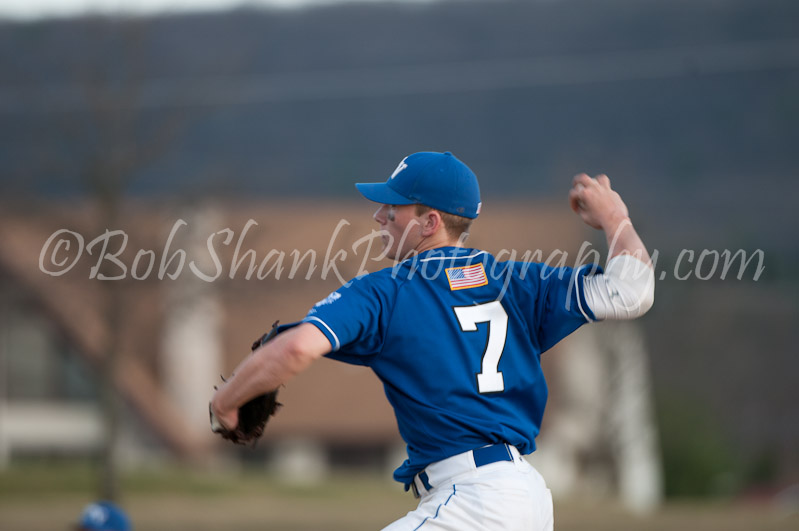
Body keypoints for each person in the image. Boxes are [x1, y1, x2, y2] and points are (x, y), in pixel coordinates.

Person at [210, 151, 654, 530]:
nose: (379, 215)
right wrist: (615, 218)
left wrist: (226, 402)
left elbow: (295, 349)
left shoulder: (387, 292)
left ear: (431, 222)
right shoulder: (519, 282)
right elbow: (632, 291)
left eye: (394, 208)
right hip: (526, 500)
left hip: (474, 503)